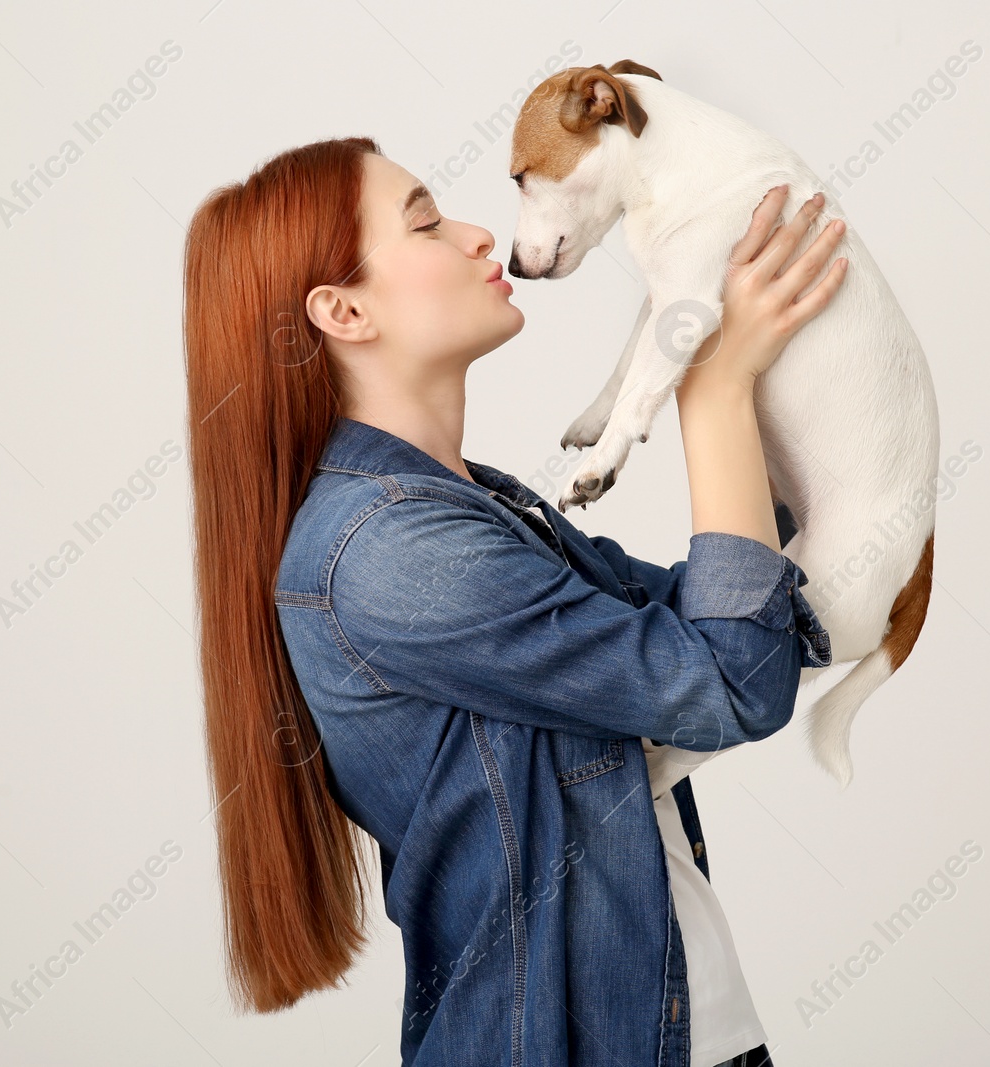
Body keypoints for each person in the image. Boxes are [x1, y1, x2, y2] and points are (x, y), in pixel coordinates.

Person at [181, 134, 844, 1067]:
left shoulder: (474, 510)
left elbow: (748, 628)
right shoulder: (388, 553)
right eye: (424, 222)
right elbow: (733, 681)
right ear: (341, 310)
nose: (477, 234)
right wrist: (711, 383)